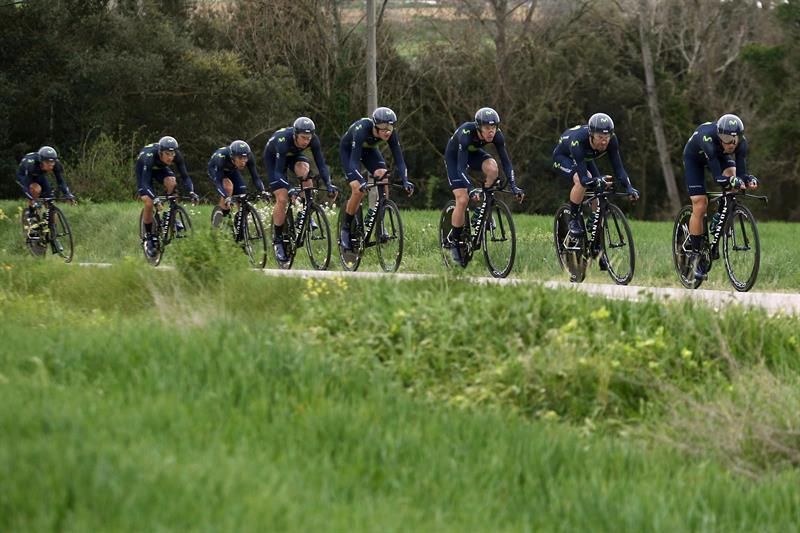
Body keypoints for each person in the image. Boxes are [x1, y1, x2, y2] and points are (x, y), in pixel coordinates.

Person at [682, 113, 758, 280]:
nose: (731, 144)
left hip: (718, 155)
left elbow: (741, 174)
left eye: (734, 139)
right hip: (695, 159)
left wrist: (747, 180)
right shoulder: (708, 139)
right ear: (719, 135)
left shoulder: (740, 143)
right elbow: (718, 178)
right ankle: (695, 256)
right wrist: (732, 181)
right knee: (700, 203)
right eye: (726, 139)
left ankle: (719, 218)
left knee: (733, 177)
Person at [444, 107, 524, 264]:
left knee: (493, 168)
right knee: (462, 199)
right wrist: (470, 189)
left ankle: (482, 210)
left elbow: (506, 162)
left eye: (493, 127)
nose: (491, 131)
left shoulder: (497, 135)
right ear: (478, 127)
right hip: (455, 158)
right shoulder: (466, 134)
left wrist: (514, 185)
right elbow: (461, 169)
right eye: (487, 127)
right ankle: (454, 239)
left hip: (473, 155)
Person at [552, 112, 639, 239]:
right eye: (600, 137)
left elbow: (619, 168)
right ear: (591, 134)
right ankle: (573, 220)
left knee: (600, 190)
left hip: (584, 158)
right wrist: (596, 180)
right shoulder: (579, 141)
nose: (604, 142)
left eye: (607, 137)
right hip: (564, 157)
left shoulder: (612, 141)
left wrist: (629, 187)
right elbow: (584, 179)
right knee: (582, 180)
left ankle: (594, 227)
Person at [338, 106, 414, 250]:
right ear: (375, 126)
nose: (387, 131)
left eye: (390, 127)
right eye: (383, 127)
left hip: (369, 150)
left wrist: (405, 180)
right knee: (358, 190)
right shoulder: (361, 130)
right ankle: (345, 229)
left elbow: (399, 159)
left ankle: (380, 223)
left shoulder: (391, 133)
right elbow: (354, 163)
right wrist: (361, 181)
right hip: (349, 151)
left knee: (383, 175)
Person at [263, 117, 336, 263]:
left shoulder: (313, 140)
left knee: (305, 172)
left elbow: (321, 164)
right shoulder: (283, 141)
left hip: (293, 156)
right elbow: (278, 172)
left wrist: (329, 184)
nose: (306, 141)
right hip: (274, 160)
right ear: (295, 134)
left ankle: (306, 210)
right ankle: (278, 239)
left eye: (309, 138)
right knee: (282, 198)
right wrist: (290, 189)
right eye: (303, 137)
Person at [136, 135, 198, 258]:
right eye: (167, 154)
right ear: (160, 152)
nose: (170, 157)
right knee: (149, 202)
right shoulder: (149, 156)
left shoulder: (177, 155)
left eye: (172, 154)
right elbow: (145, 183)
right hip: (144, 171)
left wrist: (191, 192)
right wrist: (155, 199)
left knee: (172, 182)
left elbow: (185, 176)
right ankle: (149, 237)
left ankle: (171, 215)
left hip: (160, 169)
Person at [208, 139, 268, 220]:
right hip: (215, 170)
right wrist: (226, 197)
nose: (243, 162)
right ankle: (223, 216)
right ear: (232, 157)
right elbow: (218, 182)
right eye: (240, 158)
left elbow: (255, 177)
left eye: (245, 158)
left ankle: (240, 222)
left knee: (242, 193)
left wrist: (263, 191)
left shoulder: (249, 157)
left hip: (232, 170)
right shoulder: (221, 157)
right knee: (228, 187)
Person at [16, 146, 75, 218]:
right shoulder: (31, 164)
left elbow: (60, 181)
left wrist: (67, 194)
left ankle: (50, 222)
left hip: (39, 175)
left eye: (52, 162)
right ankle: (32, 215)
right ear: (41, 161)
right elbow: (26, 186)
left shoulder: (56, 164)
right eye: (47, 162)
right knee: (36, 189)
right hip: (24, 176)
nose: (50, 165)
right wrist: (33, 200)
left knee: (49, 196)